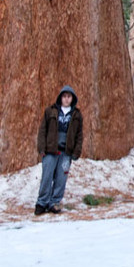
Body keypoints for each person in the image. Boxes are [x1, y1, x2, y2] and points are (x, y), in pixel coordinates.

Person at [35, 85, 83, 215]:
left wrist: (76, 152)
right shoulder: (51, 111)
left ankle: (54, 202)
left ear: (72, 99)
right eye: (64, 96)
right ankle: (42, 202)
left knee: (61, 179)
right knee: (47, 176)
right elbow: (42, 130)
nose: (66, 99)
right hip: (50, 150)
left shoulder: (76, 115)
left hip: (66, 153)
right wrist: (41, 148)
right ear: (60, 97)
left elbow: (79, 135)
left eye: (69, 97)